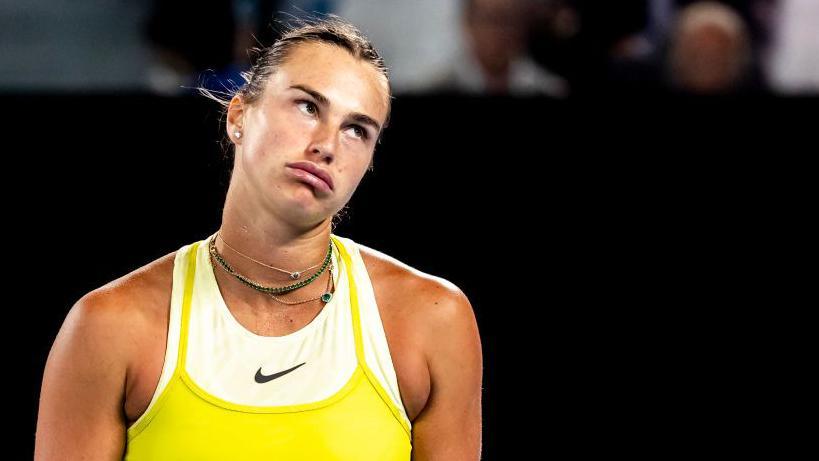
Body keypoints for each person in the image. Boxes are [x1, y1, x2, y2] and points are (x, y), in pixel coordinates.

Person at [34, 15, 483, 460]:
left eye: (357, 129)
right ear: (239, 115)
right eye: (308, 106)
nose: (327, 144)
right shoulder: (109, 326)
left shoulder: (432, 321)